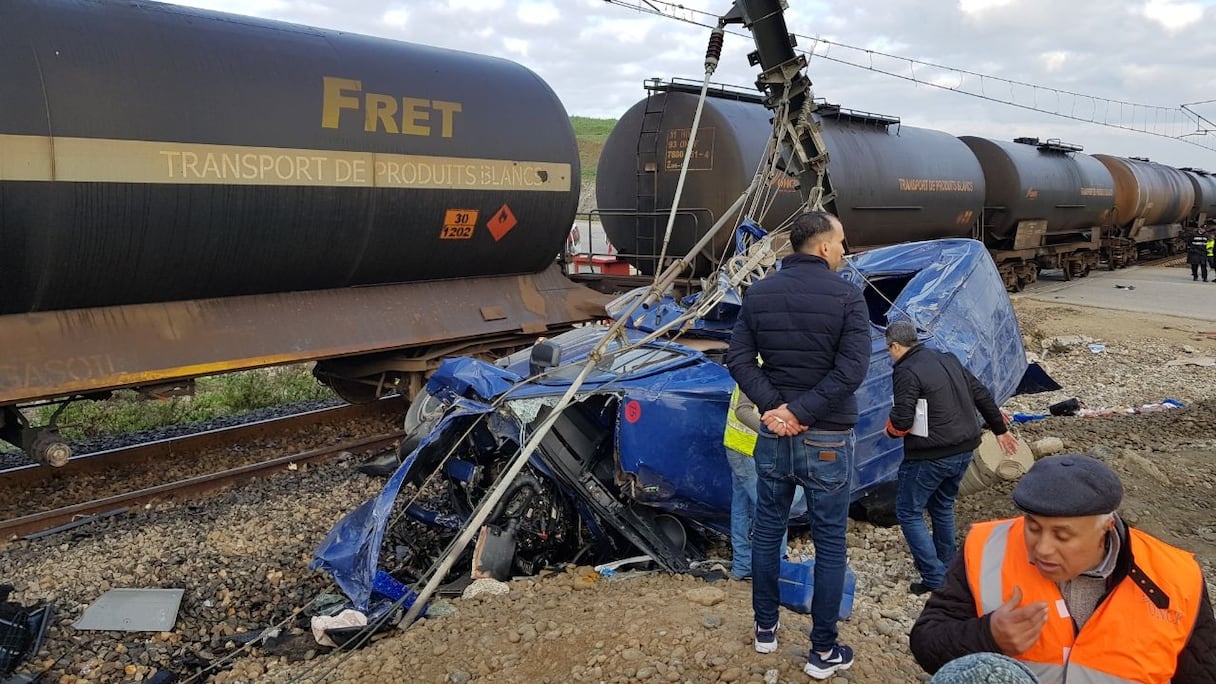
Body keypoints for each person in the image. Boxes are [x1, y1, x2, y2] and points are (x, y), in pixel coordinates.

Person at [909, 453, 1216, 683]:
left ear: (1106, 527)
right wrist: (987, 635)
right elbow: (926, 642)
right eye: (1033, 527)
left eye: (1062, 535)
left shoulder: (1175, 577)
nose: (1042, 548)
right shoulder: (986, 548)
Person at [726, 210, 870, 680]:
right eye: (842, 242)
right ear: (824, 246)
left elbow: (738, 359)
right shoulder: (849, 297)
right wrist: (801, 413)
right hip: (827, 436)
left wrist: (776, 408)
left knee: (767, 532)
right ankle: (821, 651)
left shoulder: (759, 294)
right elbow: (851, 372)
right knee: (829, 544)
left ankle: (765, 629)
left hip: (774, 436)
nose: (845, 251)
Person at [883, 320, 1019, 595]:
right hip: (964, 449)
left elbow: (902, 419)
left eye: (890, 350)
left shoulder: (906, 370)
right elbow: (980, 393)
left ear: (895, 346)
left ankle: (934, 578)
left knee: (908, 512)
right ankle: (949, 568)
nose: (890, 355)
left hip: (930, 454)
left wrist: (891, 430)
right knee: (942, 506)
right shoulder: (947, 359)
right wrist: (1000, 430)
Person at [721, 384, 803, 581]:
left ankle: (742, 567)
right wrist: (771, 432)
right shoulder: (760, 365)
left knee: (742, 506)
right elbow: (743, 411)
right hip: (748, 449)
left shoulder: (757, 362)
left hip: (739, 445)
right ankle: (776, 567)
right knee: (773, 508)